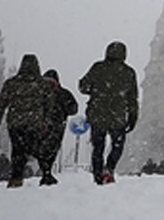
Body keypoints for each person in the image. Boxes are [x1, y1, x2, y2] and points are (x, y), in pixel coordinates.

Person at [78, 41, 139, 185]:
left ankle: (98, 175)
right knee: (117, 145)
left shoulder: (98, 68)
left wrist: (95, 90)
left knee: (98, 147)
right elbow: (132, 98)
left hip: (97, 114)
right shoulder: (128, 72)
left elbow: (83, 86)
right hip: (117, 116)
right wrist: (133, 117)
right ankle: (109, 168)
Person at [0, 54, 52, 188]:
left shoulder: (12, 83)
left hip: (15, 123)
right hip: (34, 122)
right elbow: (48, 105)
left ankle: (16, 177)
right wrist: (46, 121)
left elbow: (1, 103)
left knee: (17, 149)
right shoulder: (42, 84)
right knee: (33, 148)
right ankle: (45, 173)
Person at [38, 69, 78, 185]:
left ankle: (45, 172)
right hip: (57, 125)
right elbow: (73, 109)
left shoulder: (38, 92)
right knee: (52, 149)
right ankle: (47, 172)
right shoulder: (64, 93)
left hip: (41, 124)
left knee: (42, 149)